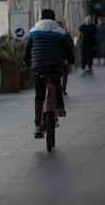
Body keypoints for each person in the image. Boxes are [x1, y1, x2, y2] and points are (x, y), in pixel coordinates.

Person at [23, 9, 74, 138]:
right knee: (56, 82)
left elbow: (26, 51)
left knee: (39, 96)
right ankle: (60, 106)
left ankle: (38, 126)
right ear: (54, 19)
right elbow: (68, 50)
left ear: (41, 18)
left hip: (38, 68)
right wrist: (71, 60)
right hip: (55, 67)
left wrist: (26, 62)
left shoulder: (33, 32)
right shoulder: (60, 32)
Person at [57, 21, 74, 95]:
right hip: (59, 58)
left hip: (63, 58)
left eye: (60, 26)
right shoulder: (65, 35)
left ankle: (63, 88)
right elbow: (71, 47)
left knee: (64, 74)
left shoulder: (65, 35)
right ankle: (61, 89)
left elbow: (71, 46)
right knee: (61, 74)